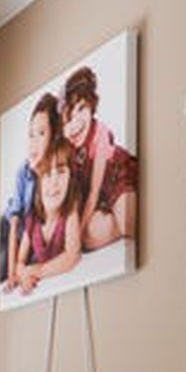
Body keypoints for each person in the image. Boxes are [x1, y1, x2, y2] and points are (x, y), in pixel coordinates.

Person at [61, 65, 137, 252]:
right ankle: (115, 215)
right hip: (101, 199)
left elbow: (93, 192)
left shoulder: (100, 134)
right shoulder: (67, 147)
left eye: (82, 109)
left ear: (91, 107)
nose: (76, 123)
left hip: (118, 177)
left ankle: (129, 205)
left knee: (127, 221)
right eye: (69, 118)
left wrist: (76, 239)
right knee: (90, 236)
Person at [0, 92, 62, 293]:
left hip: (27, 242)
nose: (33, 142)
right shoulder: (24, 172)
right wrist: (12, 273)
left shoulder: (56, 177)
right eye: (31, 135)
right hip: (9, 232)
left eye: (41, 133)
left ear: (54, 137)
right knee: (0, 268)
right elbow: (14, 223)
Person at [14, 135, 86, 294]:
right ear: (39, 183)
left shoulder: (70, 210)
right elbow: (19, 262)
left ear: (70, 179)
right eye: (47, 174)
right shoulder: (32, 217)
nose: (54, 182)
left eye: (61, 172)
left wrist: (37, 271)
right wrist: (23, 275)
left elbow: (72, 256)